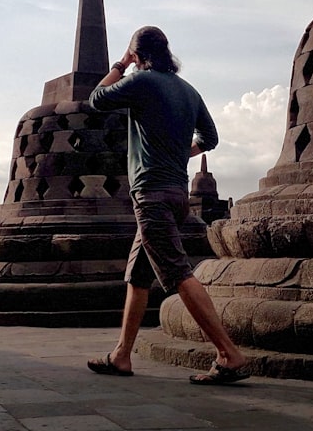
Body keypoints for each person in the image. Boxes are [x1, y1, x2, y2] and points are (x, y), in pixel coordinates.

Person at [85, 26, 249, 384]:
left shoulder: (143, 81)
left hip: (152, 195)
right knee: (139, 277)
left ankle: (228, 353)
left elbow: (96, 100)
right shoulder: (189, 91)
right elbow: (211, 138)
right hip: (176, 194)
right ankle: (122, 355)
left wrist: (120, 63)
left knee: (177, 273)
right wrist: (180, 154)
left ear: (140, 56)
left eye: (133, 55)